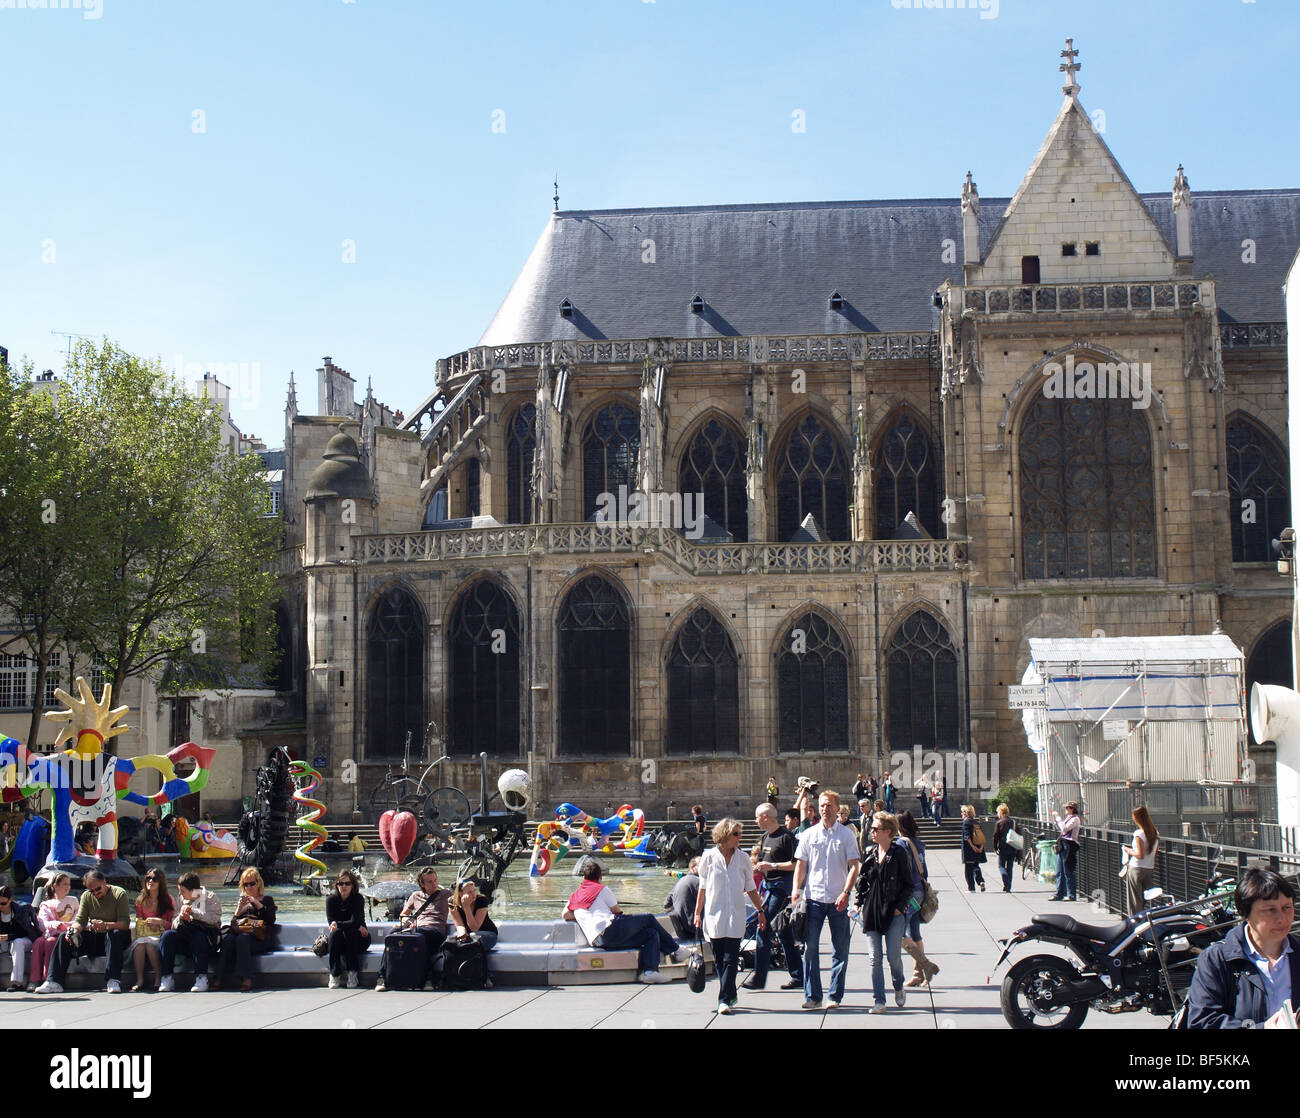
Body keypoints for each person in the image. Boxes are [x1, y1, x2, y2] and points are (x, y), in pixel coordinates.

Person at [1188, 867, 1300, 1029]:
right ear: (1245, 913)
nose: (1281, 918)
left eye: (1287, 908)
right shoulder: (1217, 959)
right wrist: (1262, 1027)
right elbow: (1202, 1022)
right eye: (1270, 910)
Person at [791, 790, 860, 1010]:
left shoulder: (846, 835)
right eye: (821, 805)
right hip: (813, 899)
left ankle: (835, 995)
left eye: (829, 805)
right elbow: (801, 865)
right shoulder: (809, 834)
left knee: (840, 949)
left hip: (838, 898)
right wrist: (796, 889)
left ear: (837, 808)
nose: (824, 808)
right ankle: (812, 996)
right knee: (810, 949)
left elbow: (854, 866)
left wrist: (846, 892)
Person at [563, 860, 680, 983]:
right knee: (648, 918)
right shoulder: (602, 889)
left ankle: (651, 972)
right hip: (609, 928)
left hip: (599, 941)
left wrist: (583, 914)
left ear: (583, 878)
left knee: (651, 934)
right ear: (600, 876)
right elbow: (616, 911)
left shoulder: (575, 895)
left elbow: (565, 914)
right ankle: (676, 949)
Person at [694, 818, 764, 1015]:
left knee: (731, 958)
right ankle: (730, 993)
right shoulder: (708, 857)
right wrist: (697, 913)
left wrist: (760, 911)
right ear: (724, 835)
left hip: (736, 914)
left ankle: (723, 999)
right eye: (736, 834)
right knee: (719, 959)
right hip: (714, 914)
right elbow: (703, 887)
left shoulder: (742, 858)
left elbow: (750, 887)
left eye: (740, 834)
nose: (739, 838)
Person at [854, 811, 913, 1013]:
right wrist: (857, 903)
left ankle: (898, 985)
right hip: (871, 911)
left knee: (893, 957)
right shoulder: (870, 853)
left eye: (875, 829)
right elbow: (862, 883)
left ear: (888, 832)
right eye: (871, 829)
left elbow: (908, 884)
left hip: (893, 912)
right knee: (874, 957)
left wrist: (899, 907)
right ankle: (879, 1000)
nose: (871, 832)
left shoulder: (899, 854)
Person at [37, 869, 131, 994]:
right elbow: (80, 921)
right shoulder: (86, 896)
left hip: (115, 936)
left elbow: (125, 923)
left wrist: (106, 925)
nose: (95, 893)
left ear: (105, 882)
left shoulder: (119, 893)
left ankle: (113, 979)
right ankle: (54, 981)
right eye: (92, 891)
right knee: (64, 937)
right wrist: (73, 930)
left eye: (98, 889)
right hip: (96, 936)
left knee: (113, 934)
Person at [743, 803, 802, 992]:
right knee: (784, 932)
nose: (755, 820)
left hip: (782, 890)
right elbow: (763, 862)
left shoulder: (787, 838)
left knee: (764, 926)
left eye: (757, 817)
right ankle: (798, 975)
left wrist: (773, 866)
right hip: (768, 888)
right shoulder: (765, 837)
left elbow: (796, 865)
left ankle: (759, 978)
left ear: (766, 817)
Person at [376, 866, 451, 991]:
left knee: (420, 936)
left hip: (435, 931)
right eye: (430, 882)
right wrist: (407, 921)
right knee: (392, 935)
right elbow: (403, 914)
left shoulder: (445, 894)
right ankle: (382, 977)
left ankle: (428, 978)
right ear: (422, 884)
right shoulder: (415, 896)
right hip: (417, 930)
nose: (434, 884)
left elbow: (457, 900)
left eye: (435, 880)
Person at [215, 867, 277, 991]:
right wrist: (239, 910)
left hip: (260, 937)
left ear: (258, 883)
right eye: (246, 884)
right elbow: (234, 924)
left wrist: (257, 904)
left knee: (242, 939)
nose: (249, 887)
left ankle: (246, 978)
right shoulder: (242, 901)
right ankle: (219, 977)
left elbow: (271, 920)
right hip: (243, 936)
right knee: (229, 939)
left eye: (252, 884)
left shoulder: (267, 900)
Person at [158, 872, 222, 992]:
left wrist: (193, 913)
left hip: (206, 939)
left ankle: (201, 977)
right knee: (167, 936)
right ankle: (167, 977)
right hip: (185, 936)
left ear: (193, 890)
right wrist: (181, 917)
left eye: (182, 891)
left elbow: (214, 918)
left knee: (197, 936)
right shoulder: (181, 899)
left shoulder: (210, 897)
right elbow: (173, 923)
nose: (180, 894)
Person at [896, 811, 939, 986]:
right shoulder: (918, 844)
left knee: (897, 930)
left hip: (909, 893)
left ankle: (925, 966)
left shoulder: (900, 844)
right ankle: (917, 973)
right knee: (914, 932)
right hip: (920, 892)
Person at [28, 873, 77, 992]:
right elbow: (42, 923)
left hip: (63, 936)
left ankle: (48, 978)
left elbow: (77, 919)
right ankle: (34, 979)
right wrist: (54, 925)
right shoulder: (46, 904)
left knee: (50, 943)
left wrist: (64, 926)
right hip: (49, 933)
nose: (68, 887)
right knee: (38, 943)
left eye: (69, 884)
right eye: (65, 884)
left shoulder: (73, 901)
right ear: (55, 886)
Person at [128, 869, 175, 992]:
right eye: (148, 878)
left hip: (161, 935)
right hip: (145, 934)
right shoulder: (140, 900)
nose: (150, 881)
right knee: (140, 946)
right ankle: (139, 980)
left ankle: (158, 978)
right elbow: (139, 921)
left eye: (154, 879)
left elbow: (172, 924)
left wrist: (159, 922)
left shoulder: (168, 900)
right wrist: (147, 924)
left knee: (149, 945)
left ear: (161, 882)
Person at [325, 868, 370, 988]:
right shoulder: (331, 900)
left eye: (347, 883)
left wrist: (339, 924)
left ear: (352, 885)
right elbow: (331, 921)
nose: (343, 886)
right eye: (340, 883)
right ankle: (334, 974)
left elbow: (354, 921)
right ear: (337, 885)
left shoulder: (358, 899)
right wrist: (351, 925)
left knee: (351, 933)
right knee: (335, 934)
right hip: (340, 940)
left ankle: (352, 972)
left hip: (359, 938)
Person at [0, 884, 39, 992]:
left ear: (10, 900)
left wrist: (8, 936)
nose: (0, 906)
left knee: (17, 943)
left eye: (3, 903)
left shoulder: (20, 910)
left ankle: (17, 982)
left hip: (24, 940)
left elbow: (24, 931)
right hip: (5, 943)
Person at [1122, 805, 1159, 916]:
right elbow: (1155, 851)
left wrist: (1128, 850)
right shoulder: (1155, 832)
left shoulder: (1139, 834)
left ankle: (1135, 923)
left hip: (1136, 868)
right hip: (1149, 868)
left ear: (1136, 818)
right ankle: (1142, 919)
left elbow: (1139, 854)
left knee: (1134, 900)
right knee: (1144, 898)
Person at [449, 878, 497, 951]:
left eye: (474, 890)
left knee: (472, 940)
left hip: (488, 934)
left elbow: (474, 928)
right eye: (469, 892)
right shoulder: (452, 903)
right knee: (452, 943)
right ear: (460, 894)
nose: (474, 894)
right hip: (469, 934)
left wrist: (466, 907)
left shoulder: (481, 900)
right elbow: (460, 926)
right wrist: (461, 936)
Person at [1050, 801, 1082, 902]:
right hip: (1063, 844)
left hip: (1069, 845)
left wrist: (1058, 818)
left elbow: (1064, 828)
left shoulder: (1075, 819)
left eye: (1068, 808)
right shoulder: (1069, 818)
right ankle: (1059, 893)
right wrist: (1056, 821)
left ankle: (1071, 894)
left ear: (1072, 809)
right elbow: (1061, 828)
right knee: (1060, 871)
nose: (1066, 810)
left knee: (1068, 870)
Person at [665, 857, 701, 940]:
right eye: (702, 865)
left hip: (682, 929)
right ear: (692, 868)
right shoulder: (700, 883)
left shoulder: (681, 881)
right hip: (696, 929)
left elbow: (666, 903)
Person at [960, 804, 987, 892]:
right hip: (979, 847)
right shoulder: (976, 822)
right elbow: (982, 836)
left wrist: (973, 846)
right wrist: (980, 847)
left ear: (965, 813)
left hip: (969, 849)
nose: (961, 814)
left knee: (968, 869)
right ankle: (980, 881)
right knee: (976, 866)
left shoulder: (966, 822)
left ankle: (971, 888)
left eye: (962, 812)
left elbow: (967, 836)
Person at [992, 803, 1016, 893]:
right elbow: (1018, 833)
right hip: (1012, 846)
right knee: (1010, 867)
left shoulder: (999, 822)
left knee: (1001, 866)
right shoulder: (1013, 822)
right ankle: (1008, 886)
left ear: (1001, 812)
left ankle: (1006, 881)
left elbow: (995, 836)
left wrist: (995, 847)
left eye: (998, 812)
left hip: (1003, 847)